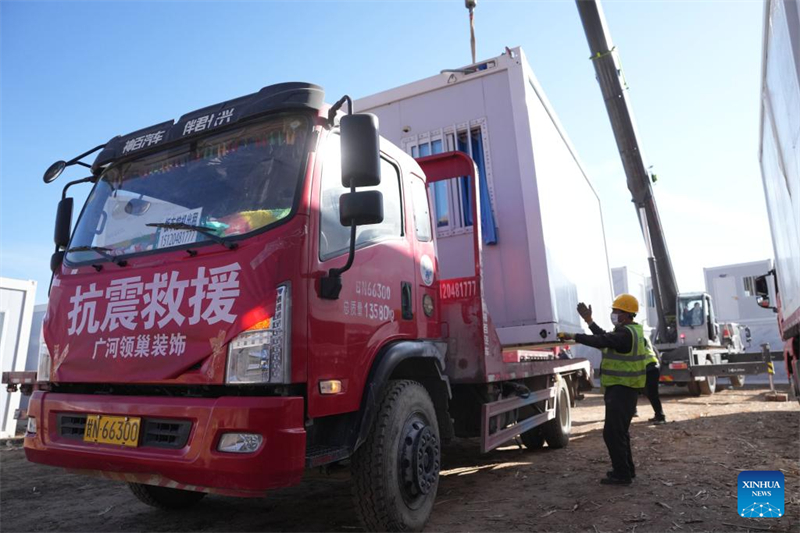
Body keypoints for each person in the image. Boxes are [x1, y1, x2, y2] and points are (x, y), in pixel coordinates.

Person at [558, 294, 652, 485]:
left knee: (612, 433)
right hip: (625, 389)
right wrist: (589, 321)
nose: (613, 314)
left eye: (615, 311)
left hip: (622, 389)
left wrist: (573, 336)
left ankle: (622, 474)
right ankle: (626, 470)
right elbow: (604, 337)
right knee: (620, 432)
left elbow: (601, 341)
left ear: (626, 314)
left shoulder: (625, 334)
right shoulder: (629, 331)